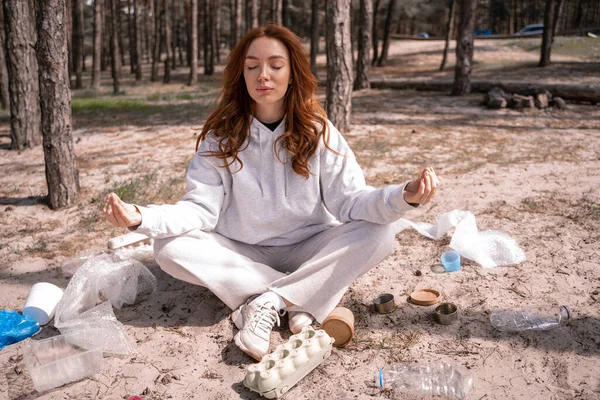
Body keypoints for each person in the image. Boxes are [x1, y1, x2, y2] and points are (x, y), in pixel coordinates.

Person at [103, 25, 439, 361]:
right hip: (242, 252)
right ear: (241, 74)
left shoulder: (319, 132)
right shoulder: (219, 138)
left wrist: (403, 196)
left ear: (292, 73)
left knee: (381, 234)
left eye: (275, 65)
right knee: (167, 247)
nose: (263, 75)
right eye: (252, 66)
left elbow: (351, 201)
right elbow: (198, 211)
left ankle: (268, 301)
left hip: (309, 247)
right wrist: (142, 217)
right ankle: (300, 295)